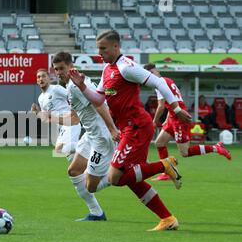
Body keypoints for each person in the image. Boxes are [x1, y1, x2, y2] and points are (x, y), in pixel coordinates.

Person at [71, 30, 192, 231]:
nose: (100, 52)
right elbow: (99, 99)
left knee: (114, 177)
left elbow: (159, 82)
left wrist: (177, 109)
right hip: (129, 128)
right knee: (131, 178)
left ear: (116, 47)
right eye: (98, 48)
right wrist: (83, 86)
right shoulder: (107, 69)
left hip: (136, 128)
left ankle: (164, 165)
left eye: (103, 48)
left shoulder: (126, 67)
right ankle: (168, 219)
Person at [36, 55, 118, 221]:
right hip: (90, 136)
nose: (58, 73)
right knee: (73, 171)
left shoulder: (74, 86)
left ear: (70, 66)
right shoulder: (75, 83)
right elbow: (74, 116)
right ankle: (96, 213)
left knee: (92, 185)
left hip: (101, 138)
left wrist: (112, 129)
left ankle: (124, 172)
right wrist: (50, 118)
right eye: (56, 69)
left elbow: (99, 105)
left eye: (61, 68)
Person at [144, 64, 231, 181]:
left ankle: (216, 147)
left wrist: (154, 122)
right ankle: (167, 172)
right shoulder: (167, 80)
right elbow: (173, 101)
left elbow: (161, 106)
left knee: (185, 152)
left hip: (180, 119)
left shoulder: (159, 83)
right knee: (159, 143)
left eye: (152, 73)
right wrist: (166, 119)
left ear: (156, 72)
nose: (152, 75)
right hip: (173, 117)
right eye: (150, 74)